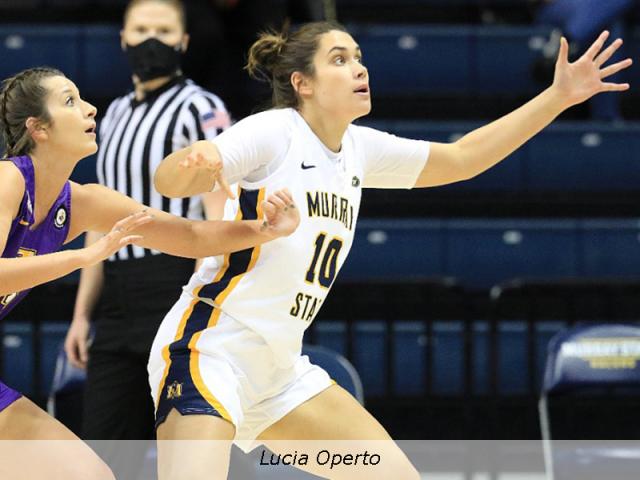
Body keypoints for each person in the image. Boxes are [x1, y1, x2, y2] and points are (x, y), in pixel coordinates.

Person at [149, 21, 632, 479]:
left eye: (359, 57)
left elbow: (462, 159)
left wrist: (557, 97)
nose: (360, 68)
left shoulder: (359, 148)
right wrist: (199, 162)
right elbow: (169, 179)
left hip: (277, 370)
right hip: (209, 349)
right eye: (340, 59)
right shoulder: (275, 131)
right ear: (304, 83)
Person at [0, 66, 299, 478]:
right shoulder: (8, 180)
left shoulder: (83, 202)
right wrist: (85, 257)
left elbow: (191, 235)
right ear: (39, 128)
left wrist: (263, 229)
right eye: (69, 101)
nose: (89, 109)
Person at [63, 0, 231, 455]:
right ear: (123, 38)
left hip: (175, 284)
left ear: (184, 41)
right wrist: (82, 315)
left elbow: (220, 215)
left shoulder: (202, 107)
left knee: (195, 447)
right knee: (105, 448)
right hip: (117, 297)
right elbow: (100, 219)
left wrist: (200, 302)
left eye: (163, 28)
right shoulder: (111, 114)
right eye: (141, 28)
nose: (152, 38)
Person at [533, 0, 635, 120]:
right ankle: (605, 118)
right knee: (611, 27)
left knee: (606, 19)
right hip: (567, 6)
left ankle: (571, 39)